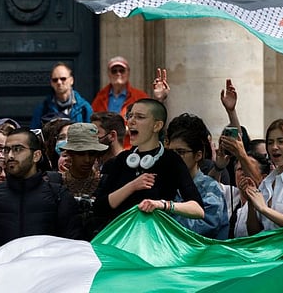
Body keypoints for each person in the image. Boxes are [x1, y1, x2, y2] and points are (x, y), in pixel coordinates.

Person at [0, 128, 84, 255]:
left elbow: (73, 247)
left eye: (18, 149)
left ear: (36, 155)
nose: (10, 156)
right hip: (0, 271)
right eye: (7, 150)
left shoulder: (58, 196)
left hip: (45, 271)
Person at [93, 98, 204, 229]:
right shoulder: (121, 160)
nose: (131, 121)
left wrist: (163, 205)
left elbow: (198, 210)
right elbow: (100, 207)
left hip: (153, 237)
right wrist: (133, 186)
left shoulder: (171, 161)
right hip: (120, 235)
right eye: (130, 116)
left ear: (157, 126)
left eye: (140, 117)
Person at [168, 128, 229, 239]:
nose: (174, 157)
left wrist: (166, 211)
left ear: (198, 155)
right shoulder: (168, 185)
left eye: (181, 152)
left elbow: (206, 226)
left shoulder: (210, 188)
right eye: (171, 153)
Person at [91, 56, 170, 119]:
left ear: (128, 72)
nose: (118, 74)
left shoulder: (139, 97)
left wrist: (159, 99)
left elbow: (151, 119)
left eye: (122, 70)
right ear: (109, 74)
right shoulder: (100, 97)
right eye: (114, 71)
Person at [30, 62, 92, 129]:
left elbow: (91, 134)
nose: (59, 82)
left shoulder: (84, 108)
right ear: (51, 83)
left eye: (63, 79)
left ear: (71, 80)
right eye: (55, 80)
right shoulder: (42, 109)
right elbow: (35, 134)